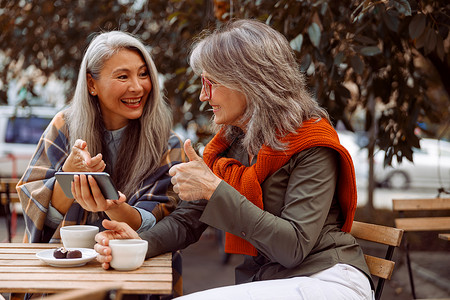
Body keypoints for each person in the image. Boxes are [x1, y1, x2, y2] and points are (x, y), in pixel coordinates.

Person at [94, 19, 374, 299]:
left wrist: (215, 190)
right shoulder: (231, 146)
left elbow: (293, 247)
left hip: (327, 279)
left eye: (210, 83)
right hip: (270, 282)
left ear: (250, 82)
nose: (204, 96)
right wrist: (139, 243)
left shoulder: (311, 142)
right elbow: (187, 221)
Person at [17, 31, 183, 245]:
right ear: (91, 84)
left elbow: (157, 222)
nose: (137, 87)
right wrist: (68, 176)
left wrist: (111, 206)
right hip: (67, 262)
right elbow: (37, 213)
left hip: (137, 266)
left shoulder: (167, 144)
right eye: (123, 76)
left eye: (143, 74)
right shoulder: (64, 126)